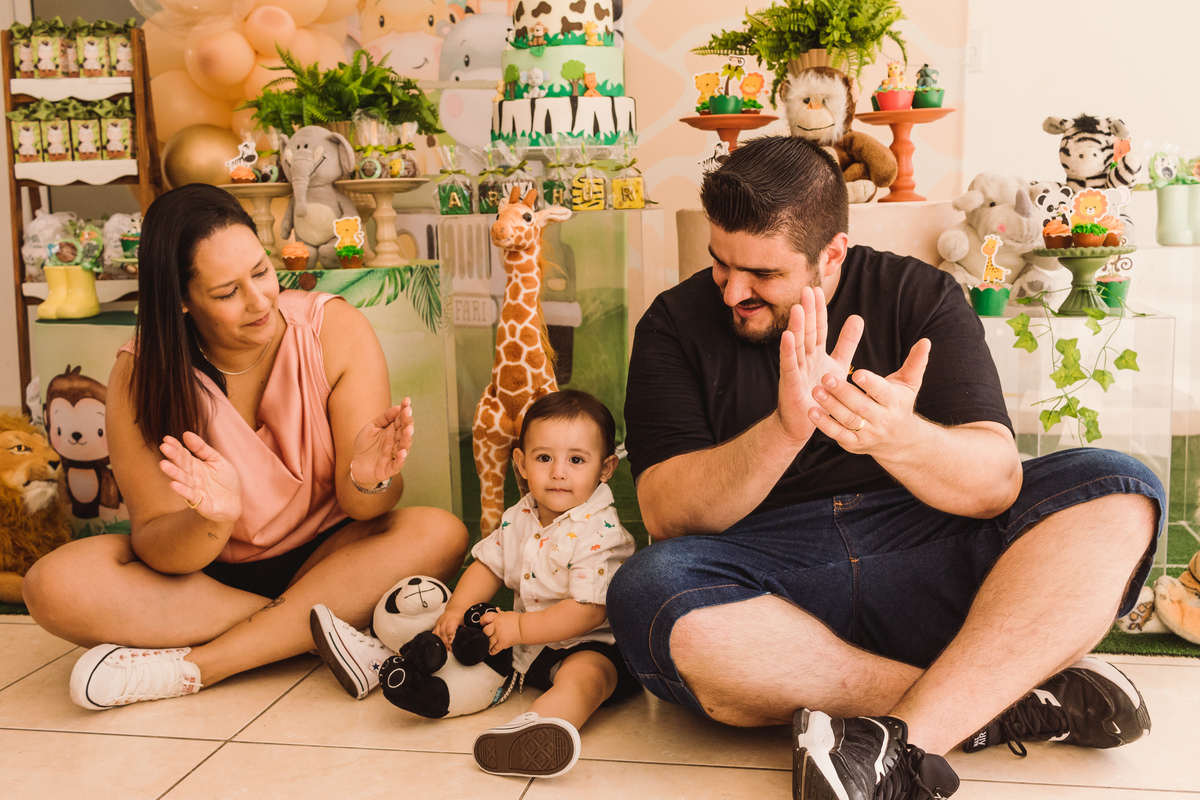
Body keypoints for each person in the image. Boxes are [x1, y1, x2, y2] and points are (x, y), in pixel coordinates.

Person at [607, 136, 1163, 800]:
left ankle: (894, 740)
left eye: (763, 275)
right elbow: (669, 514)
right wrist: (786, 430)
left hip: (926, 548)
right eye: (721, 263)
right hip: (772, 582)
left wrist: (899, 439)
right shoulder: (673, 324)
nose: (733, 291)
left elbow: (994, 484)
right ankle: (1001, 699)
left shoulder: (918, 293)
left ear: (832, 252)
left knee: (1120, 490)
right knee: (646, 593)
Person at [22, 184, 467, 710]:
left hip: (331, 558)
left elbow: (365, 508)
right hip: (202, 584)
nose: (259, 301)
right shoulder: (141, 373)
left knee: (439, 531)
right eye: (227, 292)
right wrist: (213, 519)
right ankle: (316, 631)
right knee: (52, 584)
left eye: (261, 272)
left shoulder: (333, 330)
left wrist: (368, 479)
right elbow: (157, 546)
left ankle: (199, 667)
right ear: (182, 300)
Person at [436, 389, 640, 778]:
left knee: (585, 678)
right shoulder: (520, 514)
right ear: (521, 462)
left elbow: (589, 610)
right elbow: (489, 564)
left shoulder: (601, 531)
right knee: (470, 649)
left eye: (576, 460)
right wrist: (457, 608)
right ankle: (433, 686)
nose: (558, 472)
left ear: (606, 468)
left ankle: (542, 727)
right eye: (544, 457)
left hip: (597, 644)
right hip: (529, 645)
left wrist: (522, 628)